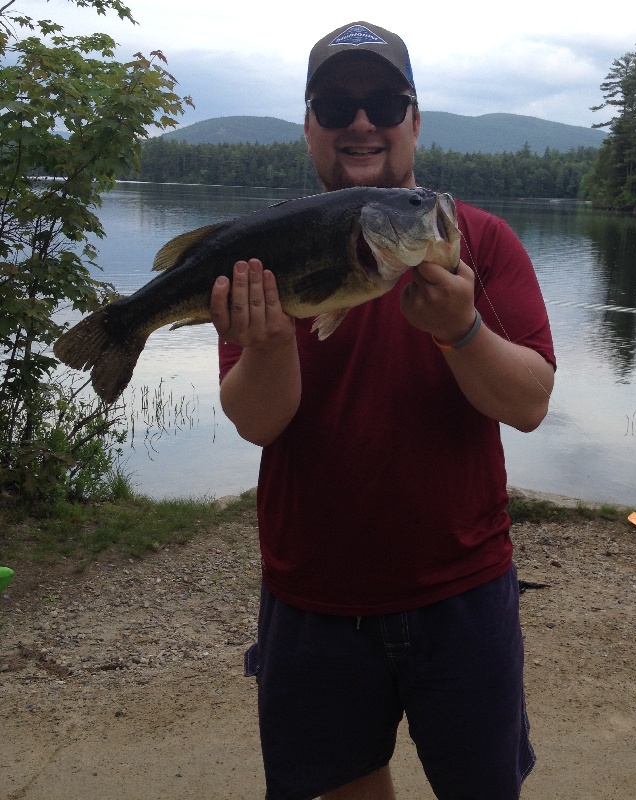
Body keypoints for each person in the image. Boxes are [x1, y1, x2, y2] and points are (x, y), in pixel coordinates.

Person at [210, 21, 556, 800]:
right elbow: (259, 423)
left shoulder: (483, 242)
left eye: (384, 103)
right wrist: (270, 347)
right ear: (309, 128)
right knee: (345, 786)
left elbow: (531, 403)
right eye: (335, 104)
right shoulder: (270, 252)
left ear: (415, 121)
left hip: (461, 590)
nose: (361, 122)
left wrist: (463, 332)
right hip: (313, 595)